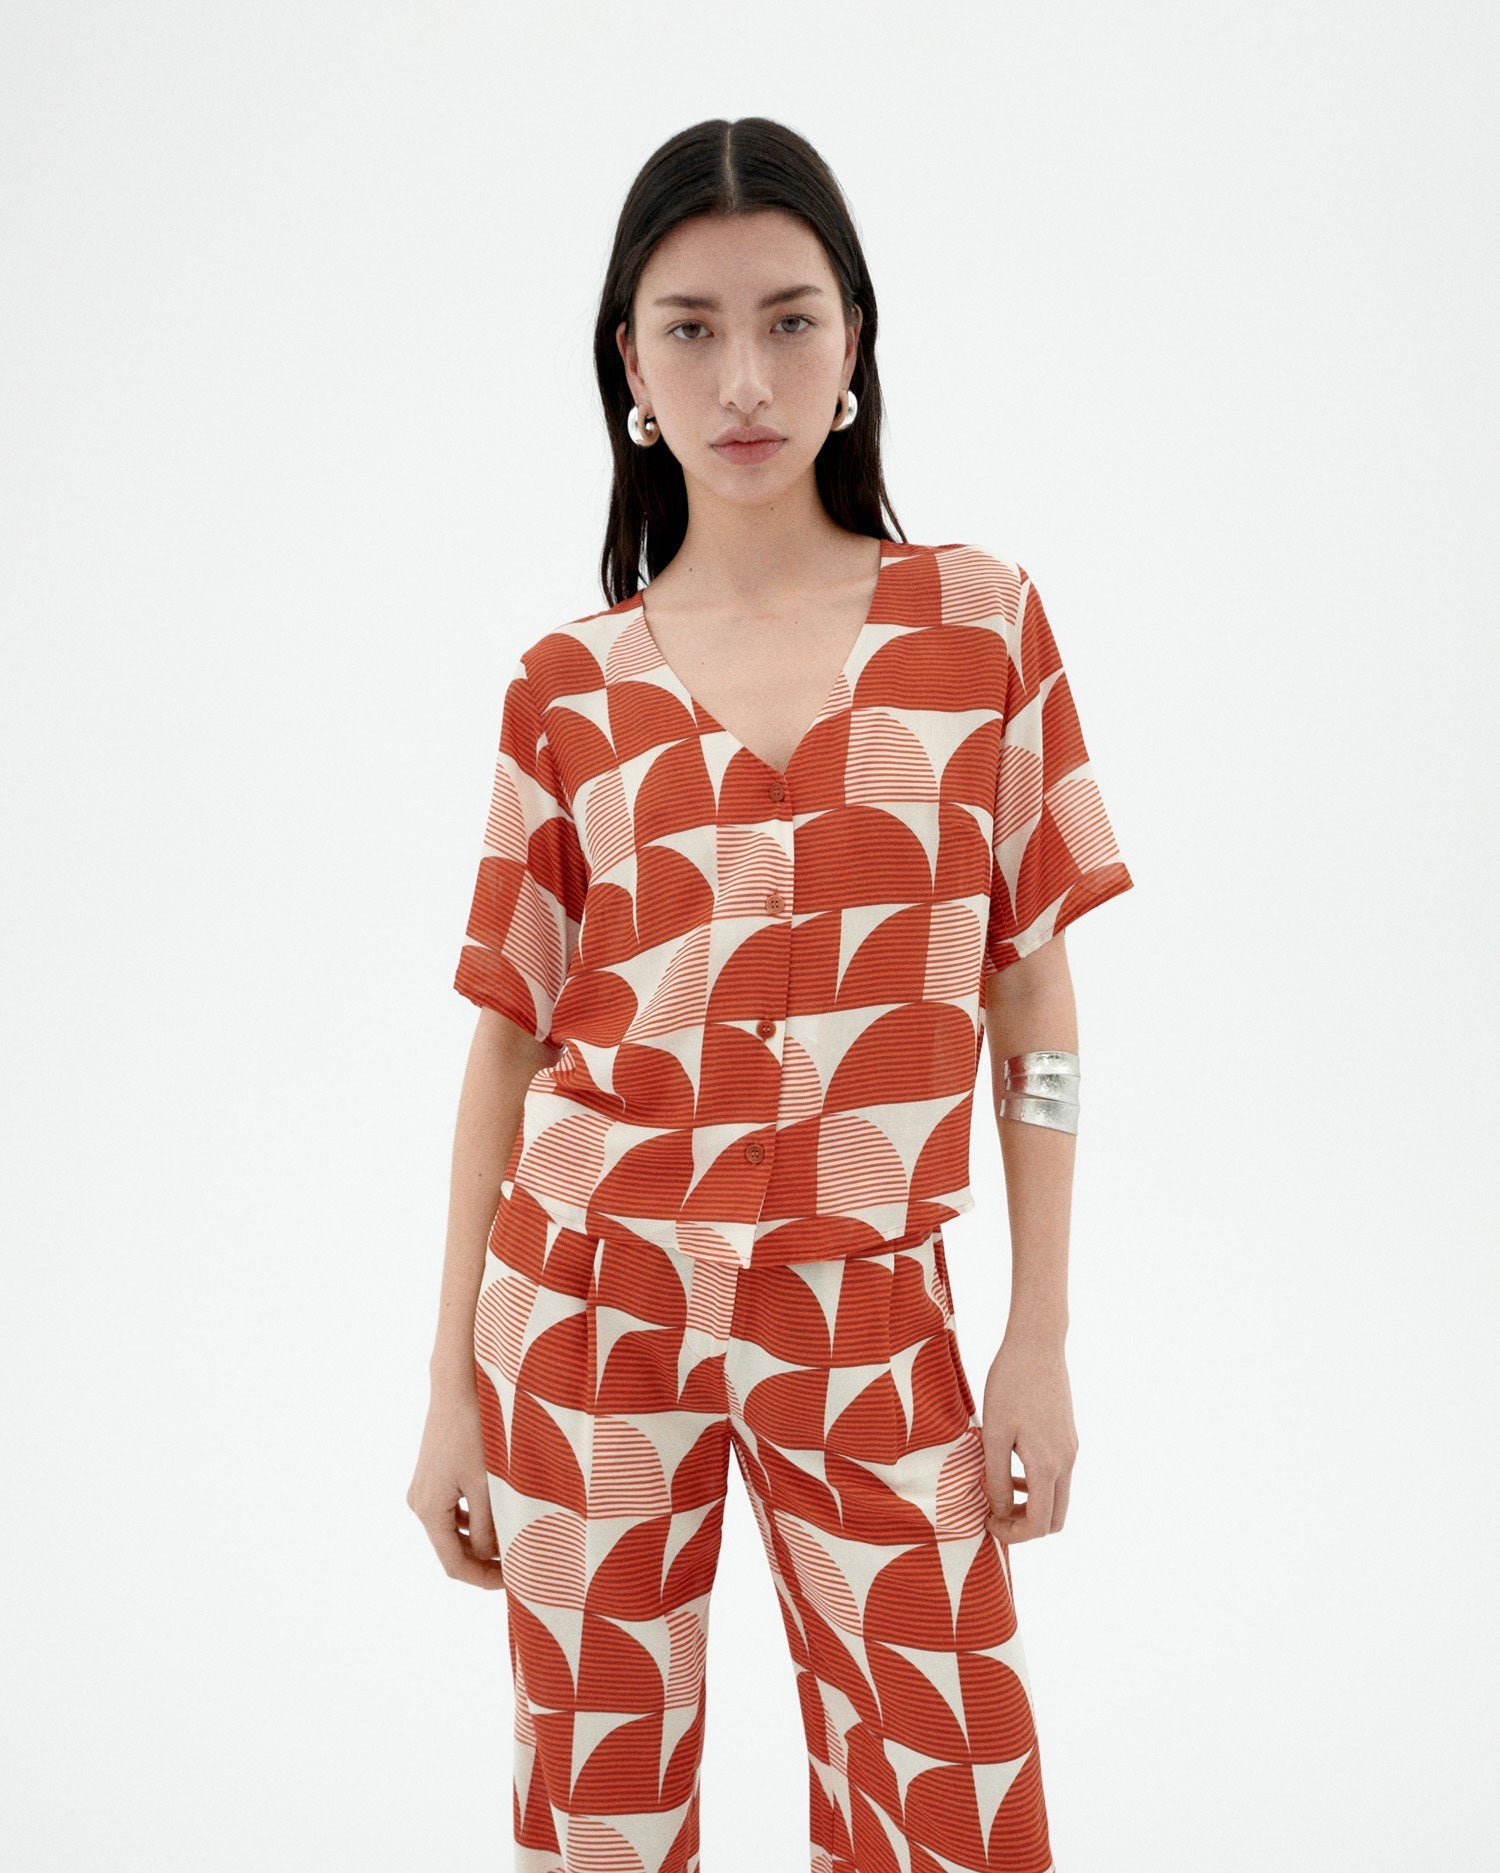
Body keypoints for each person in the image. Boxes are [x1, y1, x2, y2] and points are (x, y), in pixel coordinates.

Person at [409, 115, 1134, 1873]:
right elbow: (507, 1039)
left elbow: (1034, 1011)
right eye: (693, 327)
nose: (745, 378)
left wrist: (1037, 1335)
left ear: (855, 340)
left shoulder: (979, 628)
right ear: (631, 365)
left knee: (950, 1788)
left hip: (865, 1301)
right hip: (588, 1298)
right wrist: (449, 1390)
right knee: (600, 1806)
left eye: (790, 321)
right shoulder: (566, 689)